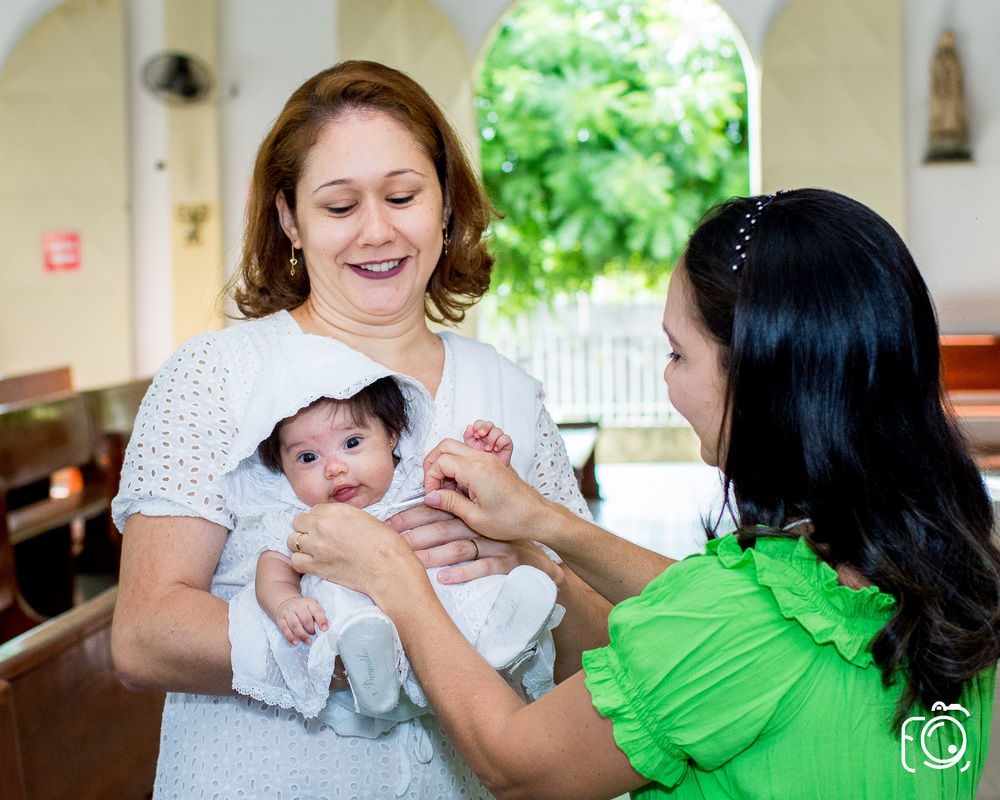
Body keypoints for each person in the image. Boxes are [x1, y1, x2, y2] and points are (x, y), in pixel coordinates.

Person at [291, 188, 1000, 798]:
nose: (668, 379)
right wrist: (540, 538)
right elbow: (707, 612)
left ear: (758, 379)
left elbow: (515, 764)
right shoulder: (944, 569)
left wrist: (394, 575)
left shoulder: (733, 622)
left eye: (677, 353)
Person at [110, 60, 627, 798]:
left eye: (402, 196)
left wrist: (531, 568)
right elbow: (145, 635)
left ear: (445, 204)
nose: (377, 231)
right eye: (339, 205)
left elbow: (599, 653)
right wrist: (373, 647)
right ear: (290, 218)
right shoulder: (216, 375)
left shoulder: (506, 392)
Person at [224, 333, 561, 731]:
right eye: (308, 457)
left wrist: (484, 465)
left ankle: (501, 632)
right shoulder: (297, 517)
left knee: (473, 582)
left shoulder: (416, 482)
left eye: (352, 442)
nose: (334, 468)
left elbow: (473, 507)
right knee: (351, 626)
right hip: (359, 621)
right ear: (282, 467)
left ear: (391, 435)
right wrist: (284, 602)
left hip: (444, 613)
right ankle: (373, 673)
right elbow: (273, 566)